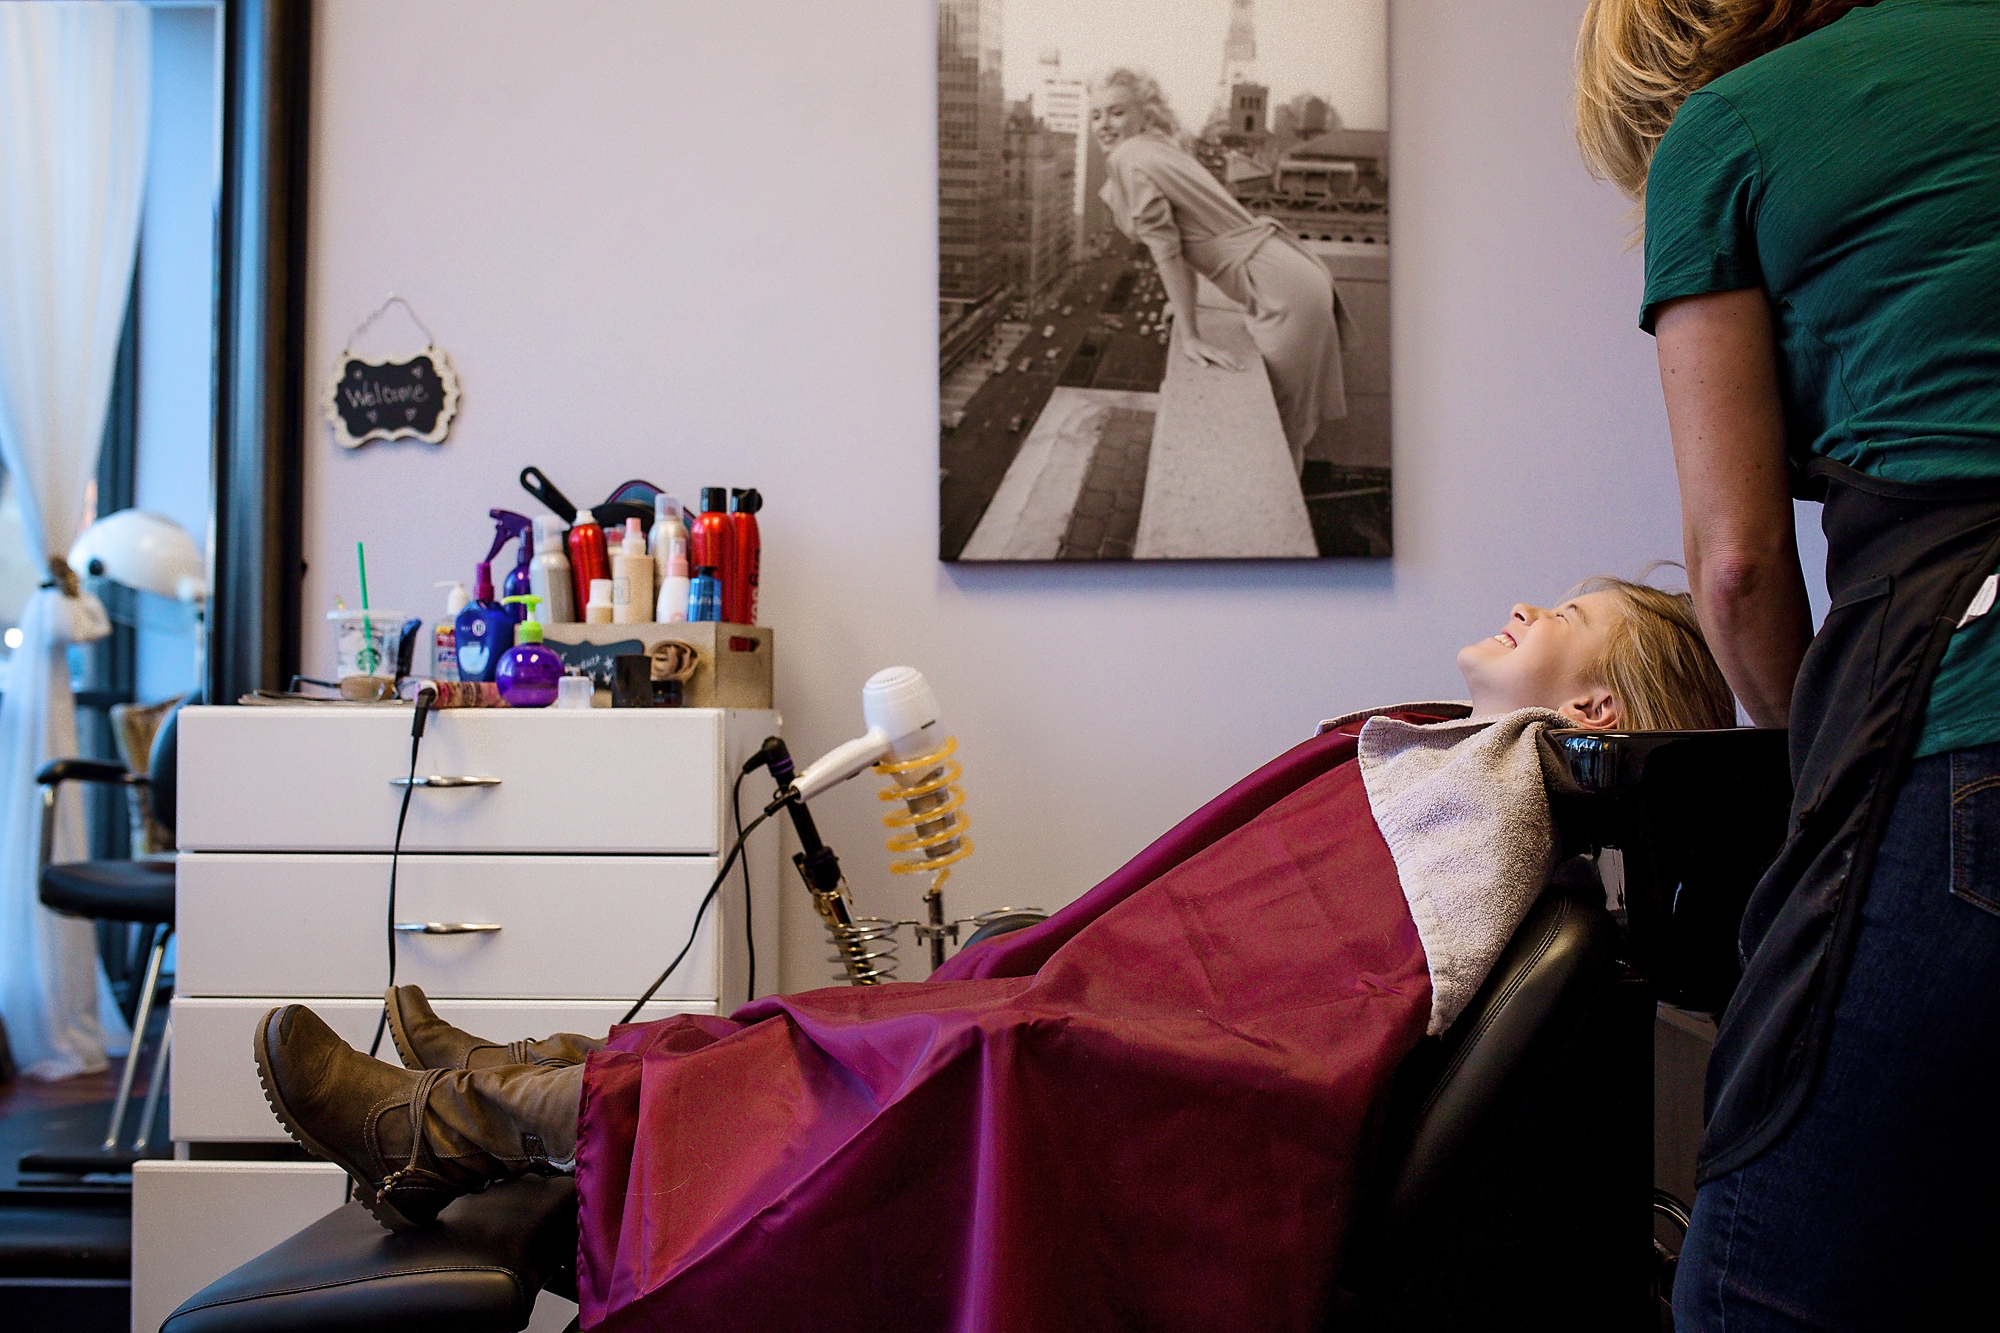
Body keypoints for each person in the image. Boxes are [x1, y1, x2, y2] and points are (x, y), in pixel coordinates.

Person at [254, 577, 1731, 1325]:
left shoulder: (1496, 794)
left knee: (966, 1038)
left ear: (1599, 713)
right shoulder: (1458, 761)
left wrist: (1095, 1004)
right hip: (1146, 1032)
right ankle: (499, 1101)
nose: (1531, 606)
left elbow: (1332, 1008)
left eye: (1570, 616)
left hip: (1199, 1100)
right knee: (878, 1011)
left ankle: (474, 1117)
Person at [1574, 1, 2000, 1326]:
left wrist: (1811, 789)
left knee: (1759, 1282)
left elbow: (1739, 563)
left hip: (1965, 711)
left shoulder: (1731, 130)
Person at [1091, 68, 1356, 474]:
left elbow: (1168, 254)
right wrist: (1183, 309)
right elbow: (1182, 244)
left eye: (1116, 113)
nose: (1104, 126)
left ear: (1144, 114)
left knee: (1278, 445)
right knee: (1286, 435)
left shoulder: (1130, 157)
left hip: (1280, 292)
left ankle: (1274, 531)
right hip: (1288, 272)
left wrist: (1192, 337)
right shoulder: (1159, 146)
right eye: (1096, 116)